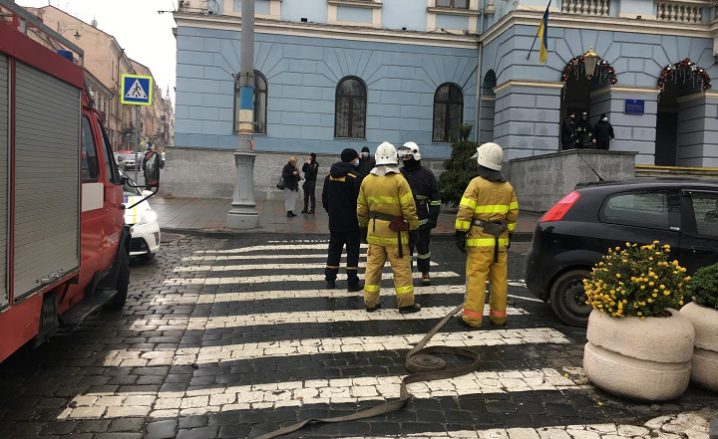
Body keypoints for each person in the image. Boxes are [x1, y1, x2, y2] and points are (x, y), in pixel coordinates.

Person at [455, 142, 518, 328]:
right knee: (499, 280)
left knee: (477, 279)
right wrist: (511, 234)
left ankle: (472, 318)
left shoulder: (476, 184)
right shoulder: (508, 187)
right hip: (500, 241)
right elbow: (513, 213)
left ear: (482, 160)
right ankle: (499, 317)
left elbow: (465, 210)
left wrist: (460, 232)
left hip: (480, 240)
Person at [357, 141, 421, 314]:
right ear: (395, 158)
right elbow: (409, 209)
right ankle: (406, 304)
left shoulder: (367, 180)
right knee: (401, 270)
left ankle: (370, 302)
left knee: (372, 269)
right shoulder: (400, 180)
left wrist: (363, 228)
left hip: (375, 232)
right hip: (396, 235)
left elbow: (361, 208)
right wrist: (414, 229)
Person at [399, 141, 441, 286]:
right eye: (403, 156)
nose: (404, 159)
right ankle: (407, 275)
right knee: (406, 251)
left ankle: (425, 273)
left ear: (415, 156)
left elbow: (435, 199)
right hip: (404, 221)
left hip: (423, 220)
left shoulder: (427, 174)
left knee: (424, 250)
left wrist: (433, 218)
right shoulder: (399, 174)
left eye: (407, 156)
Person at [322, 148, 364, 291]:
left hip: (335, 221)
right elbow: (359, 202)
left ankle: (330, 279)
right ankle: (352, 282)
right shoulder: (355, 177)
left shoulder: (330, 176)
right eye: (356, 157)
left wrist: (332, 213)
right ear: (352, 159)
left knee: (334, 250)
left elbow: (325, 199)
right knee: (352, 251)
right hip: (351, 222)